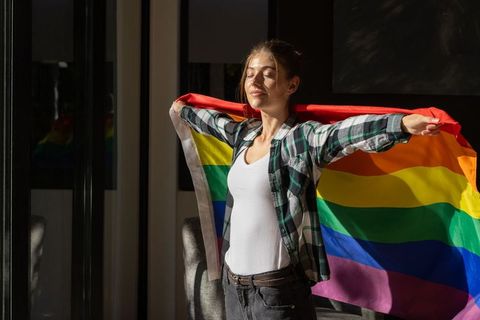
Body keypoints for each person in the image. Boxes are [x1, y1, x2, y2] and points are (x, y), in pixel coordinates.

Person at [171, 39, 441, 320]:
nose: (255, 80)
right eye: (250, 73)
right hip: (233, 288)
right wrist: (183, 109)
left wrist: (401, 124)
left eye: (268, 72)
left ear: (292, 85)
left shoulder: (301, 140)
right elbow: (212, 122)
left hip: (276, 294)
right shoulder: (244, 136)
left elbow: (345, 132)